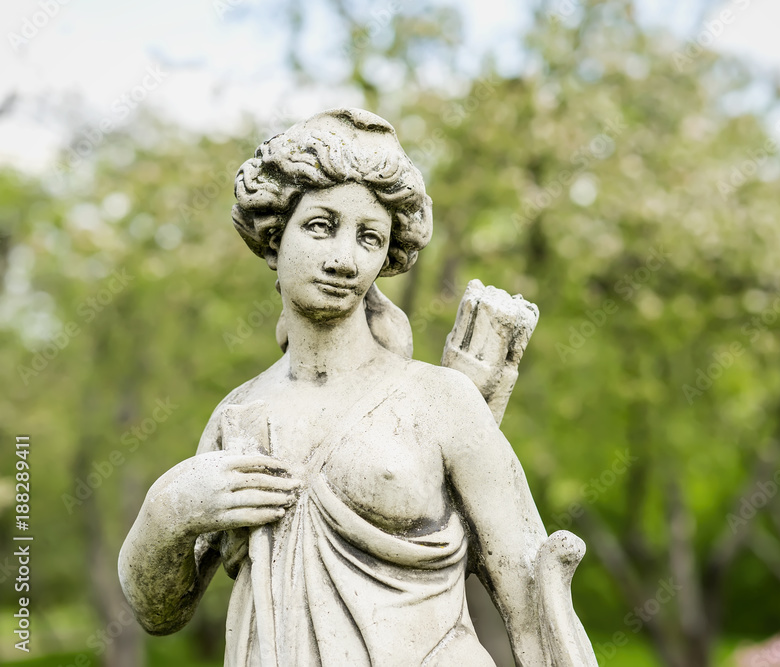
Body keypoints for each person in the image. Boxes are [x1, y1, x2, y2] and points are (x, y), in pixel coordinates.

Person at [119, 109, 595, 666]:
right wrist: (169, 511)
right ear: (275, 237)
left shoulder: (440, 400)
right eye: (321, 226)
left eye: (369, 237)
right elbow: (158, 613)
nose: (345, 259)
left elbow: (531, 603)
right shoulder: (240, 416)